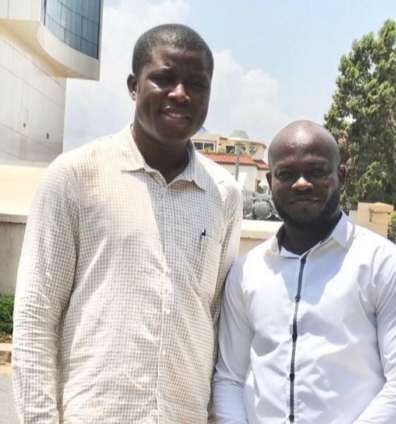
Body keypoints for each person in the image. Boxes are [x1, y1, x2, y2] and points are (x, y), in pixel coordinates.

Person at [12, 24, 242, 423]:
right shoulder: (75, 176)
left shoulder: (224, 195)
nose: (180, 94)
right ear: (134, 86)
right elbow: (36, 315)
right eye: (164, 78)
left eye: (196, 83)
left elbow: (219, 322)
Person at [212, 120, 396, 423]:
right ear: (270, 180)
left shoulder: (385, 264)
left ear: (341, 176)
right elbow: (230, 379)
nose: (301, 183)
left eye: (316, 171)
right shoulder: (246, 271)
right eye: (286, 174)